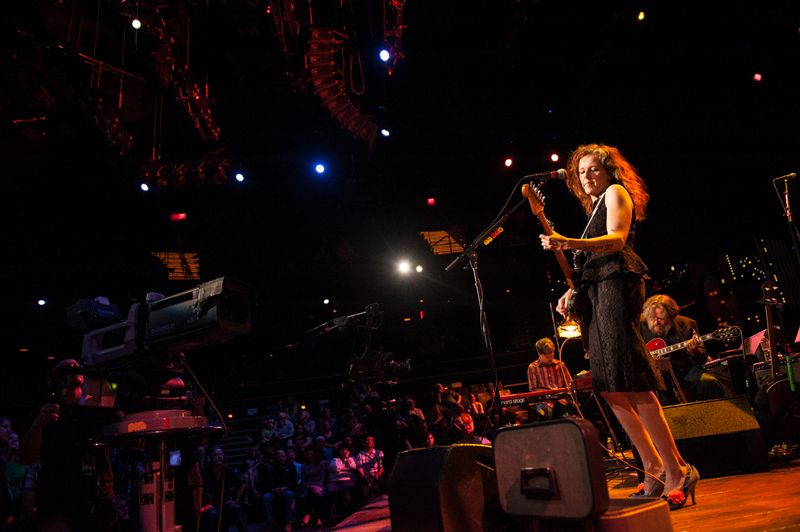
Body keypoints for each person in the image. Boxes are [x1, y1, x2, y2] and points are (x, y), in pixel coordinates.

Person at [541, 143, 698, 510]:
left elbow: (615, 240)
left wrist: (566, 241)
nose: (587, 176)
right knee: (609, 386)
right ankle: (653, 466)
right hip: (597, 292)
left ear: (610, 170)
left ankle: (677, 470)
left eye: (594, 168)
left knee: (630, 378)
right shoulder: (593, 206)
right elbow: (588, 262)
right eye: (582, 172)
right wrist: (570, 290)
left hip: (617, 286)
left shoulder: (616, 192)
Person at [639, 295, 726, 403]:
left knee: (709, 383)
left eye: (660, 319)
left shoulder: (688, 324)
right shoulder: (639, 323)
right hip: (655, 373)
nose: (655, 322)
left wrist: (694, 352)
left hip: (684, 370)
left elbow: (702, 355)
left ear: (671, 317)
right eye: (652, 318)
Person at [199, 446, 248, 532]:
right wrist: (204, 503)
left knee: (235, 508)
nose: (219, 457)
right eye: (216, 455)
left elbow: (241, 484)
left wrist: (236, 500)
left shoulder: (228, 471)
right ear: (210, 458)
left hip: (224, 505)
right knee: (212, 514)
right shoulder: (204, 473)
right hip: (210, 506)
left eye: (221, 454)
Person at [526, 338, 575, 420]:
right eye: (547, 357)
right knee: (542, 413)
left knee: (574, 409)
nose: (550, 359)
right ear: (539, 354)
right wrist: (550, 394)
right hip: (545, 402)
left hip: (562, 400)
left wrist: (562, 393)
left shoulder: (560, 365)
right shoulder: (533, 367)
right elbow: (533, 390)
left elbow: (570, 384)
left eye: (551, 355)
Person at [255, 448, 296, 532]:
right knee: (266, 497)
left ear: (285, 457)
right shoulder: (271, 470)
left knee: (290, 494)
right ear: (276, 458)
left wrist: (285, 488)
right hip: (274, 492)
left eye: (282, 456)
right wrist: (274, 489)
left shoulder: (291, 467)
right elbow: (267, 485)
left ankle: (288, 522)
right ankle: (270, 522)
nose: (281, 458)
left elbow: (294, 484)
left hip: (287, 490)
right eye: (279, 457)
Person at [326, 445, 358, 524]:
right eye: (342, 450)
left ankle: (347, 515)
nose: (344, 452)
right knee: (332, 492)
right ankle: (332, 518)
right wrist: (347, 469)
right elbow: (335, 468)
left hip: (348, 479)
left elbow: (353, 467)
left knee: (346, 491)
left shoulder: (352, 459)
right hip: (335, 480)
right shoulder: (335, 459)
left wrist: (347, 459)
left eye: (346, 450)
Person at [355, 436, 384, 504]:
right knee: (365, 492)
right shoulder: (360, 455)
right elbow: (360, 469)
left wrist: (376, 476)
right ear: (364, 443)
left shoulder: (378, 453)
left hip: (376, 476)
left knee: (375, 490)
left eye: (371, 440)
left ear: (373, 443)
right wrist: (366, 480)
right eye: (367, 440)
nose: (369, 441)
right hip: (365, 477)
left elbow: (381, 467)